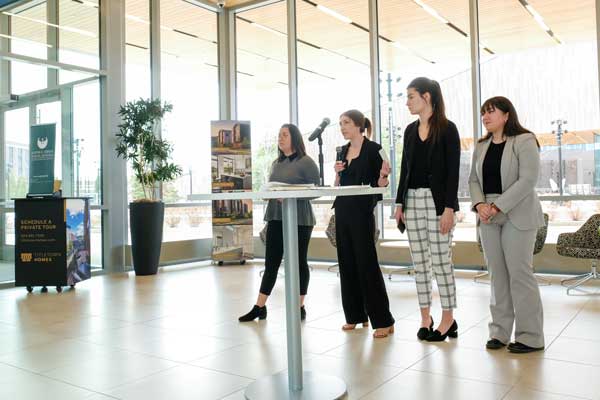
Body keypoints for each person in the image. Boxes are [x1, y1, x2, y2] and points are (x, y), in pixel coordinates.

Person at [469, 96, 545, 353]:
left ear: (506, 115)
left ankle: (530, 336)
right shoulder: (481, 146)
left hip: (517, 211)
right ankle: (499, 333)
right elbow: (472, 181)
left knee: (520, 274)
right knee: (497, 276)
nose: (486, 117)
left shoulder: (524, 140)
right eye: (483, 113)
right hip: (488, 214)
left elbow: (528, 180)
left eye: (491, 112)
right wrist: (480, 205)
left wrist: (498, 205)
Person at [394, 77, 460, 342]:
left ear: (427, 97)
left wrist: (449, 208)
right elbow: (405, 170)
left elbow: (453, 173)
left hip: (437, 204)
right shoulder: (410, 131)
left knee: (442, 262)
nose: (408, 102)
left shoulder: (447, 129)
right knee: (420, 264)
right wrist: (399, 203)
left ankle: (448, 318)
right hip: (412, 201)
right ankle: (425, 318)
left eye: (411, 96)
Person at [239, 124, 320, 322]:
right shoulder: (276, 163)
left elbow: (316, 191)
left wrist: (291, 197)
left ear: (294, 138)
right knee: (271, 263)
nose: (280, 138)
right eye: (279, 135)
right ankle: (259, 306)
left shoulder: (306, 162)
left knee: (300, 261)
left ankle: (299, 306)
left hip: (300, 218)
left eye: (284, 135)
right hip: (276, 217)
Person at [333, 109, 395, 339]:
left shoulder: (373, 149)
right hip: (343, 210)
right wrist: (337, 174)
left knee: (367, 264)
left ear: (359, 125)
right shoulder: (342, 151)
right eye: (340, 123)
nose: (342, 127)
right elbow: (338, 185)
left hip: (361, 212)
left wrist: (384, 177)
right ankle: (355, 316)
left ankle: (384, 320)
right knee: (346, 263)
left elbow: (382, 182)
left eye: (346, 122)